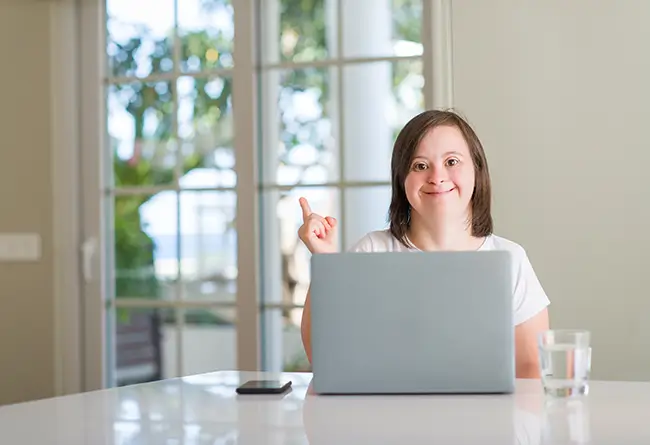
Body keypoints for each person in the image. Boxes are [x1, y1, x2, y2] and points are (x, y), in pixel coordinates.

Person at [297, 109, 550, 379]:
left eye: (452, 161)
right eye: (420, 165)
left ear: (477, 170)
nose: (437, 177)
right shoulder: (372, 251)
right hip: (387, 418)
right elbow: (322, 356)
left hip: (485, 419)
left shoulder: (511, 258)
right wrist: (324, 263)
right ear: (401, 179)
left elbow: (530, 370)